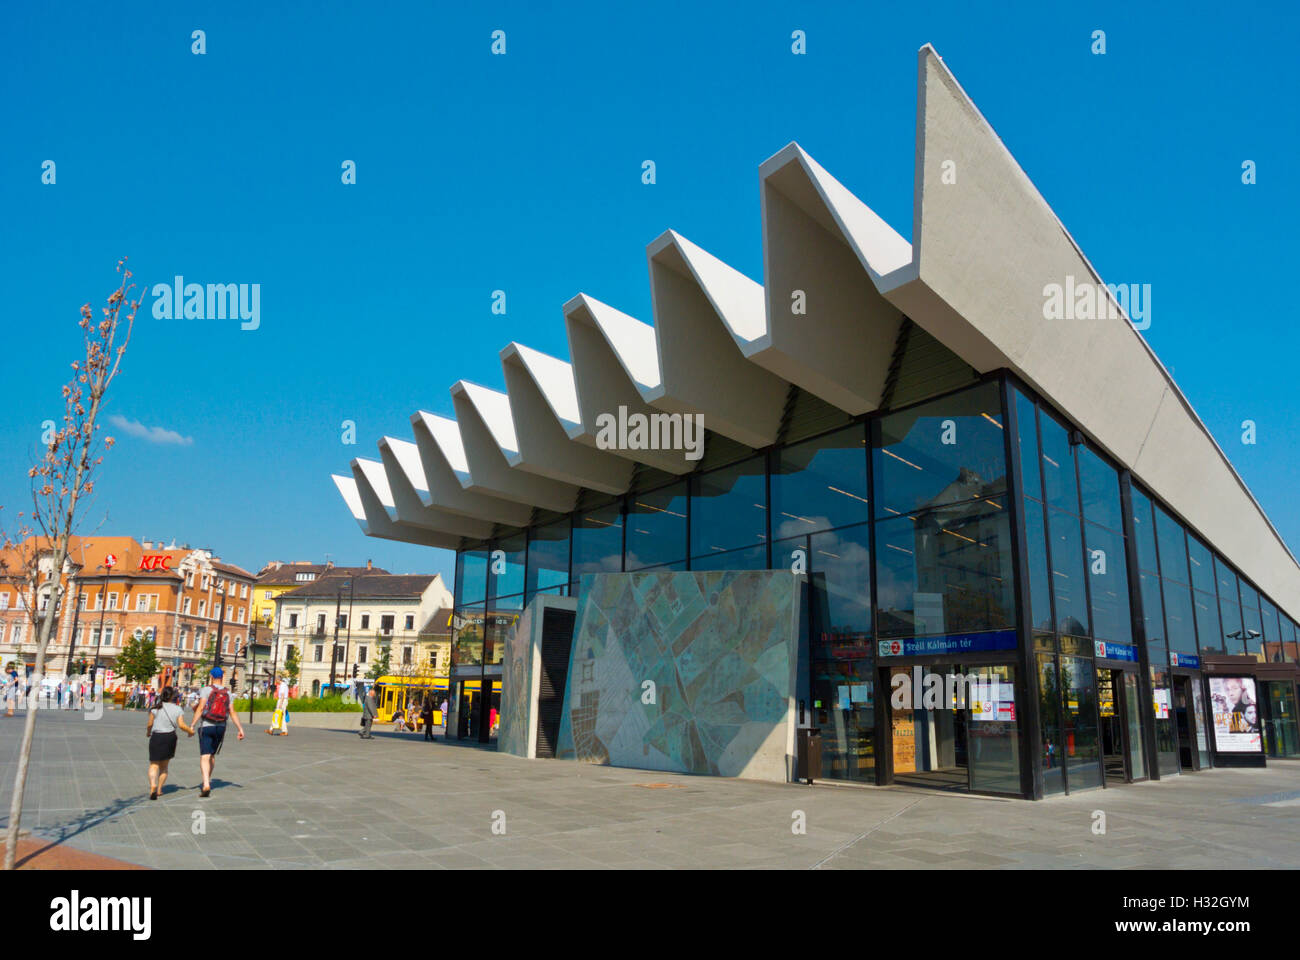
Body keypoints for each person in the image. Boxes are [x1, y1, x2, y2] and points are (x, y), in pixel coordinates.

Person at [192, 667, 245, 798]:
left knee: (205, 755)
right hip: (220, 727)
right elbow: (232, 712)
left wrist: (192, 724)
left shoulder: (206, 690)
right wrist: (240, 728)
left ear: (211, 676)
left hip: (206, 725)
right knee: (212, 756)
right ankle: (207, 780)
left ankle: (205, 783)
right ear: (222, 677)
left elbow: (200, 708)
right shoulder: (228, 693)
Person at [146, 686, 194, 799]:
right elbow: (181, 725)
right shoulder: (178, 709)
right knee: (164, 766)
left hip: (156, 736)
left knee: (154, 764)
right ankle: (159, 789)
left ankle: (153, 784)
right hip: (169, 737)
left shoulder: (155, 708)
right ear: (172, 696)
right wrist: (190, 731)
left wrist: (148, 732)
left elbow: (149, 724)